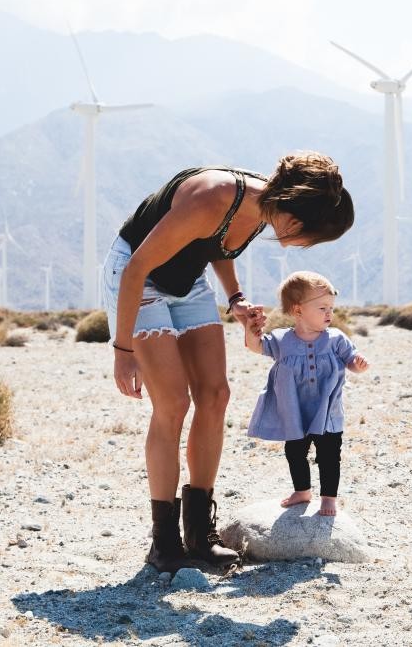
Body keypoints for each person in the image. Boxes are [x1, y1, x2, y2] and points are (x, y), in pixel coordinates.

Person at [102, 153, 353, 573]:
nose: (307, 244)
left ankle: (199, 535)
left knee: (216, 395)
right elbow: (137, 267)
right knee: (173, 404)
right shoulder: (213, 196)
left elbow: (219, 244)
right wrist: (123, 350)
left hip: (188, 282)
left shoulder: (264, 208)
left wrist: (235, 299)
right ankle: (164, 543)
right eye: (312, 234)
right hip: (138, 278)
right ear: (296, 213)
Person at [243, 271, 369, 517]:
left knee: (330, 455)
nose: (329, 313)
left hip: (327, 412)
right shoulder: (282, 340)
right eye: (322, 308)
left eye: (331, 307)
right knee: (295, 451)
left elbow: (350, 359)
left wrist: (358, 363)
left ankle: (329, 497)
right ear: (298, 310)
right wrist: (250, 329)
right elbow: (255, 346)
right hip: (295, 411)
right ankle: (302, 490)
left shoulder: (335, 339)